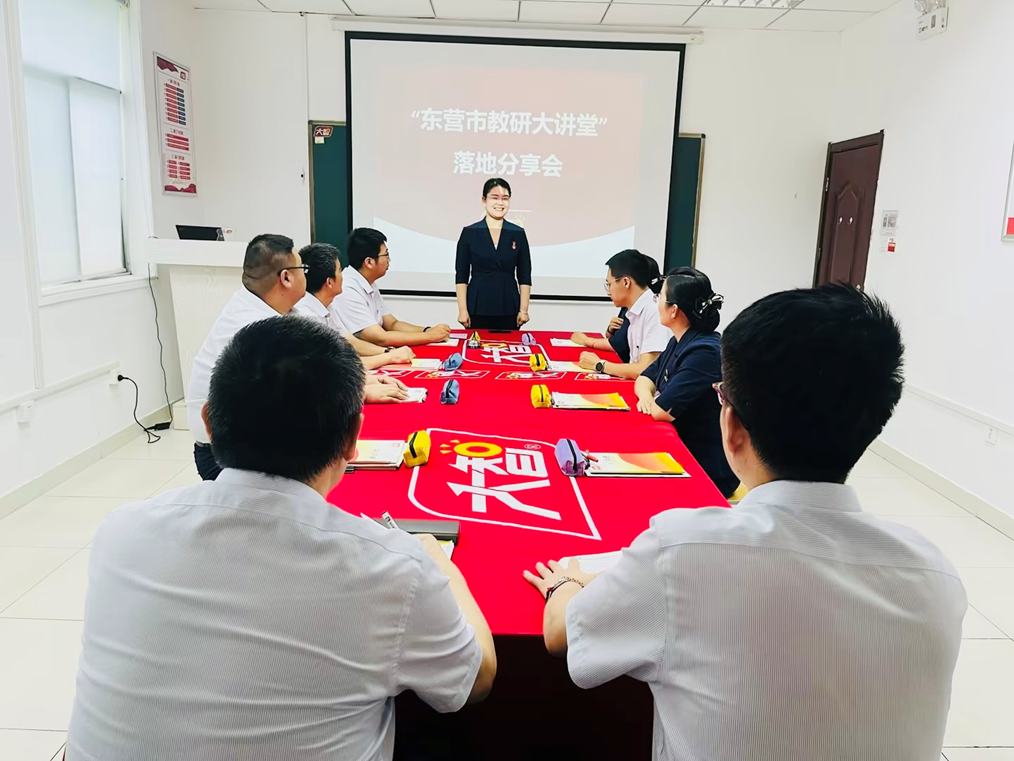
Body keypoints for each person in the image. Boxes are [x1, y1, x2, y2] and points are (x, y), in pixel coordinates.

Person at [525, 284, 965, 761]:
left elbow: (563, 633)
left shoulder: (682, 551)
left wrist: (566, 583)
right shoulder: (935, 574)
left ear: (732, 428)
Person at [68, 317, 496, 760]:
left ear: (209, 423)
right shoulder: (391, 568)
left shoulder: (120, 530)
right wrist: (440, 563)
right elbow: (475, 681)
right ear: (352, 438)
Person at [188, 235, 411, 482]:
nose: (308, 275)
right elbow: (298, 392)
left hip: (251, 439)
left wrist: (364, 380)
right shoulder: (256, 324)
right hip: (227, 456)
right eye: (302, 269)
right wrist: (362, 391)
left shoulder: (270, 306)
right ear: (286, 278)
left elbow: (318, 366)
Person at [634, 267, 739, 498]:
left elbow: (662, 412)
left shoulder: (704, 352)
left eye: (660, 297)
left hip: (704, 466)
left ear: (674, 310)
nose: (656, 302)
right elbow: (644, 378)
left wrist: (652, 402)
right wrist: (647, 397)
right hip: (681, 447)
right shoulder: (679, 340)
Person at [293, 242, 417, 371]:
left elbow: (348, 341)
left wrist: (387, 352)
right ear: (329, 282)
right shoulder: (305, 316)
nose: (343, 275)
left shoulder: (327, 305)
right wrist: (390, 357)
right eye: (340, 270)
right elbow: (333, 366)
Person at [334, 228, 452, 347]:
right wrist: (430, 336)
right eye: (386, 255)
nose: (389, 260)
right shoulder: (347, 289)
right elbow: (380, 338)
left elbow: (392, 324)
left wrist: (427, 330)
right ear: (369, 262)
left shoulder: (368, 282)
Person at [570, 250, 669, 378]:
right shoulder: (634, 311)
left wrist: (599, 364)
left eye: (609, 284)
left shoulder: (655, 310)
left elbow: (645, 370)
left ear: (626, 282)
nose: (608, 292)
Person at [455, 178, 532, 330]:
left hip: (509, 307)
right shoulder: (469, 232)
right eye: (495, 198)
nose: (500, 203)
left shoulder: (518, 233)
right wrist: (462, 310)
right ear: (484, 200)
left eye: (505, 198)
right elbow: (461, 275)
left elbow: (524, 275)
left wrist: (524, 310)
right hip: (477, 307)